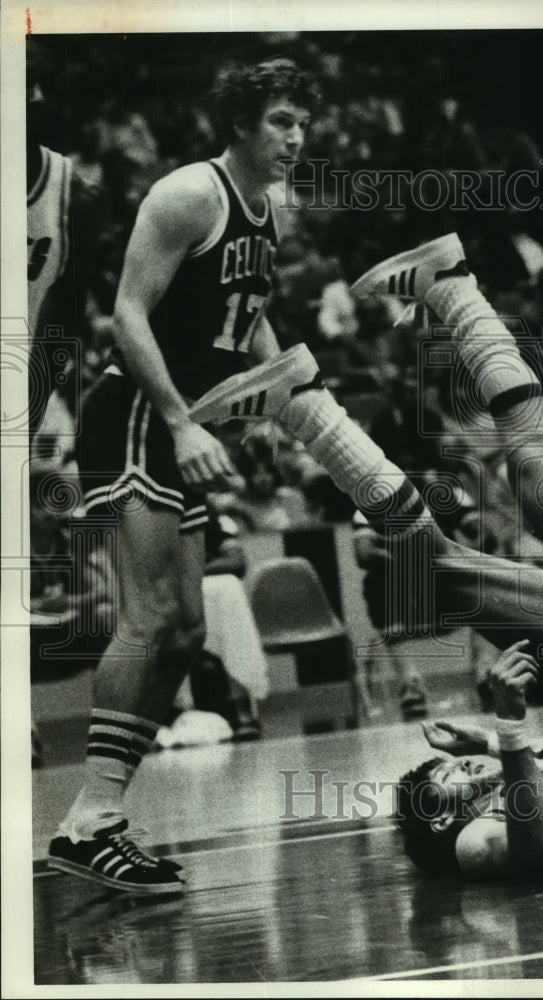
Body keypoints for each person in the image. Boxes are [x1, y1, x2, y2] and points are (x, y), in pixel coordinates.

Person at [191, 232, 543, 881]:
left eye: (457, 768)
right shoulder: (474, 843)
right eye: (455, 778)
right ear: (444, 818)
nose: (465, 770)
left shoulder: (530, 779)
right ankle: (304, 407)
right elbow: (536, 851)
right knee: (432, 569)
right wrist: (502, 728)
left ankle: (451, 285)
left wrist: (490, 746)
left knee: (531, 466)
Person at [48, 57, 321, 893]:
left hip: (183, 423)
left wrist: (284, 404)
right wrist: (175, 417)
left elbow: (252, 312)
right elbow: (125, 315)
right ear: (239, 124)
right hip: (135, 414)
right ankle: (90, 820)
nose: (295, 137)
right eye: (280, 121)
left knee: (190, 633)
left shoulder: (266, 209)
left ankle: (94, 822)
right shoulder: (186, 196)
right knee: (151, 615)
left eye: (302, 124)